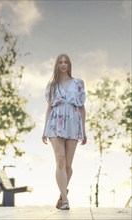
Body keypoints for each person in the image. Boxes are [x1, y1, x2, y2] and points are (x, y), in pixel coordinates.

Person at [42, 54, 87, 210]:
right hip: (55, 122)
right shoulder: (52, 85)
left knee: (68, 166)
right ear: (57, 65)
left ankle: (62, 195)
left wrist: (84, 130)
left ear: (69, 65)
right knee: (60, 160)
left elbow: (81, 108)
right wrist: (44, 129)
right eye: (60, 62)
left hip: (73, 123)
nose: (62, 65)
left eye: (65, 62)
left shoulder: (78, 83)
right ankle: (66, 201)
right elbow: (49, 107)